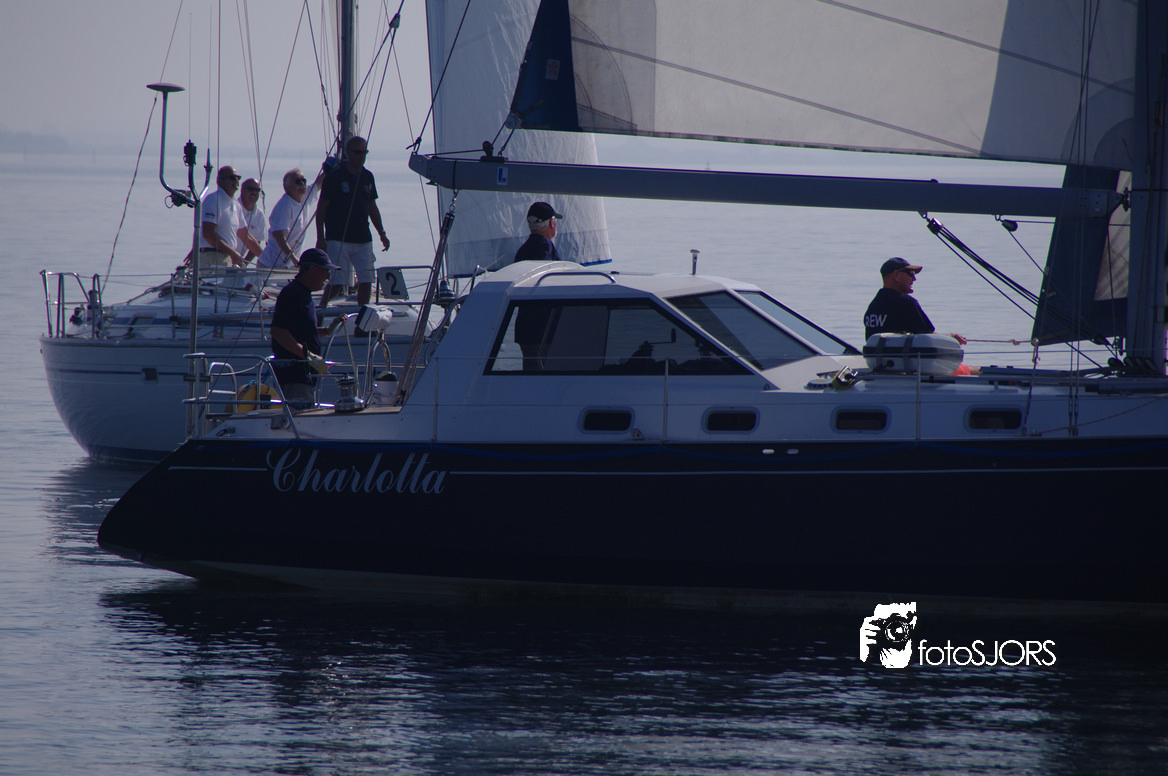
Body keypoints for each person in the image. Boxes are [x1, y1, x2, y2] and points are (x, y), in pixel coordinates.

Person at [863, 257, 978, 374]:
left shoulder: (873, 307)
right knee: (976, 371)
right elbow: (929, 339)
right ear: (896, 275)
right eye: (910, 273)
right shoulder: (906, 303)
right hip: (908, 368)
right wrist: (951, 337)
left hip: (882, 368)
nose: (914, 278)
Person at [315, 136, 389, 308]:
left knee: (366, 280)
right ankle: (321, 309)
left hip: (363, 237)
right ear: (348, 153)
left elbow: (372, 207)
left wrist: (382, 233)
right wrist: (320, 238)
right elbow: (322, 209)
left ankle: (362, 316)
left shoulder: (367, 177)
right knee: (338, 282)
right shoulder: (334, 177)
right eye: (357, 152)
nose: (361, 156)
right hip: (338, 237)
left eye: (364, 152)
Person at [270, 248, 337, 409]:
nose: (328, 277)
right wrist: (309, 356)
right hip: (294, 376)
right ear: (312, 269)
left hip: (304, 376)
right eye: (325, 271)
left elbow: (299, 331)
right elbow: (278, 331)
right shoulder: (292, 293)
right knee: (299, 418)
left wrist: (327, 331)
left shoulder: (304, 294)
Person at [257, 166, 325, 269]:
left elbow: (318, 183)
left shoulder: (304, 197)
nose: (302, 184)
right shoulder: (285, 205)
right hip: (271, 265)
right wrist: (293, 257)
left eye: (304, 180)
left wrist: (330, 168)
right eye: (298, 182)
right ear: (287, 187)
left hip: (288, 266)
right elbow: (278, 234)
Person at [198, 165, 264, 268]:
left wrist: (268, 261)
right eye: (232, 178)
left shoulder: (236, 205)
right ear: (220, 180)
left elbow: (246, 237)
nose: (236, 181)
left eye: (238, 178)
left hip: (227, 258)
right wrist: (232, 253)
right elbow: (208, 234)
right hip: (212, 256)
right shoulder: (213, 199)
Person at [239, 178, 268, 263]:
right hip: (222, 256)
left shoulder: (259, 214)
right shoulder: (233, 208)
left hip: (238, 260)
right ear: (242, 191)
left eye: (257, 190)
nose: (254, 192)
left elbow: (257, 242)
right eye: (251, 189)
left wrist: (244, 264)